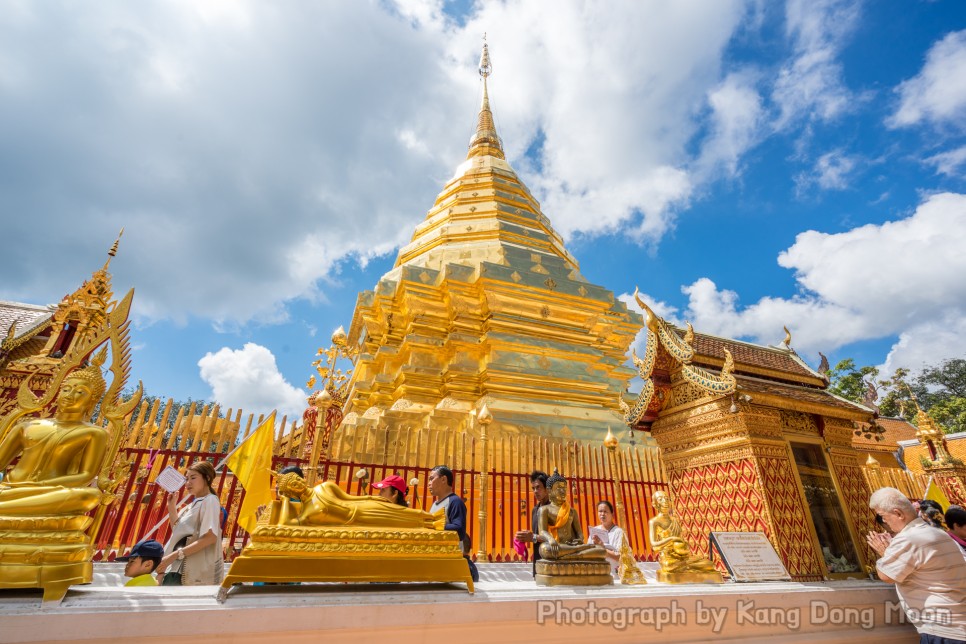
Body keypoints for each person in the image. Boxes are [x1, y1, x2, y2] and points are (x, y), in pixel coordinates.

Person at [0, 368, 109, 516]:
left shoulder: (95, 433)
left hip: (49, 490)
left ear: (93, 399)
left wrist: (40, 485)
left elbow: (86, 475)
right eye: (66, 389)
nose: (69, 396)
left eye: (80, 392)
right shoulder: (27, 426)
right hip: (10, 486)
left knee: (89, 496)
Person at [866, 487, 966, 643]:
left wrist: (885, 552)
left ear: (898, 513)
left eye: (883, 516)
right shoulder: (938, 533)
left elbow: (886, 575)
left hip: (944, 630)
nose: (883, 522)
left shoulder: (910, 538)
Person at [155, 461, 225, 585]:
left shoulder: (210, 500)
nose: (188, 483)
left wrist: (174, 555)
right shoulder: (191, 505)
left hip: (187, 571)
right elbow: (178, 532)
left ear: (207, 478)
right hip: (174, 568)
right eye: (187, 479)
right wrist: (171, 507)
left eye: (193, 478)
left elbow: (210, 537)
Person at [535, 470, 606, 561]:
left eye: (564, 488)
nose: (563, 491)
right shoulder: (544, 510)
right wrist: (551, 540)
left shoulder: (572, 511)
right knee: (545, 549)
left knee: (601, 551)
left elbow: (579, 533)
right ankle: (575, 554)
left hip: (570, 546)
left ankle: (570, 555)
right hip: (557, 545)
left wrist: (579, 539)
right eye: (559, 488)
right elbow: (542, 532)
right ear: (549, 490)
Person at [429, 465, 478, 582]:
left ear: (443, 479)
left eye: (431, 479)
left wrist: (433, 525)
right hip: (435, 560)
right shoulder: (434, 505)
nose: (429, 483)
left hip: (449, 562)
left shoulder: (455, 502)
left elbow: (459, 530)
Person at [513, 470, 548, 572]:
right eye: (533, 488)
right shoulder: (535, 510)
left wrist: (533, 537)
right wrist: (525, 537)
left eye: (538, 487)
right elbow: (538, 534)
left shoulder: (554, 509)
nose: (535, 491)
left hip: (551, 562)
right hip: (538, 561)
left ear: (547, 488)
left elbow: (557, 538)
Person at [587, 500, 624, 572]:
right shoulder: (594, 531)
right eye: (600, 511)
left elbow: (621, 557)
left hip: (613, 573)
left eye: (605, 511)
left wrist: (603, 549)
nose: (602, 514)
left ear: (612, 514)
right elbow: (588, 552)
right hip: (597, 572)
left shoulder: (618, 532)